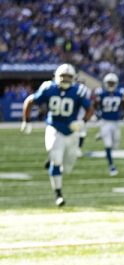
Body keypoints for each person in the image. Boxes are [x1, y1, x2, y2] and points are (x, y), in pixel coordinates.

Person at [20, 63, 94, 207]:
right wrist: (26, 121)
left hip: (72, 132)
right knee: (56, 160)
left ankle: (53, 160)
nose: (65, 79)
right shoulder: (49, 88)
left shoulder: (78, 91)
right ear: (56, 77)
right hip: (54, 128)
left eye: (68, 76)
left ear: (74, 78)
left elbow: (90, 109)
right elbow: (29, 101)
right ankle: (58, 194)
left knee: (68, 168)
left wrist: (82, 122)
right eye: (63, 76)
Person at [93, 73, 124, 176]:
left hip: (116, 123)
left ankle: (101, 135)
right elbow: (95, 105)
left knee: (115, 145)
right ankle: (111, 166)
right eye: (109, 83)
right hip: (105, 122)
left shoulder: (120, 93)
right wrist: (96, 112)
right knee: (108, 145)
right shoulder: (101, 93)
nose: (111, 85)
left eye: (112, 83)